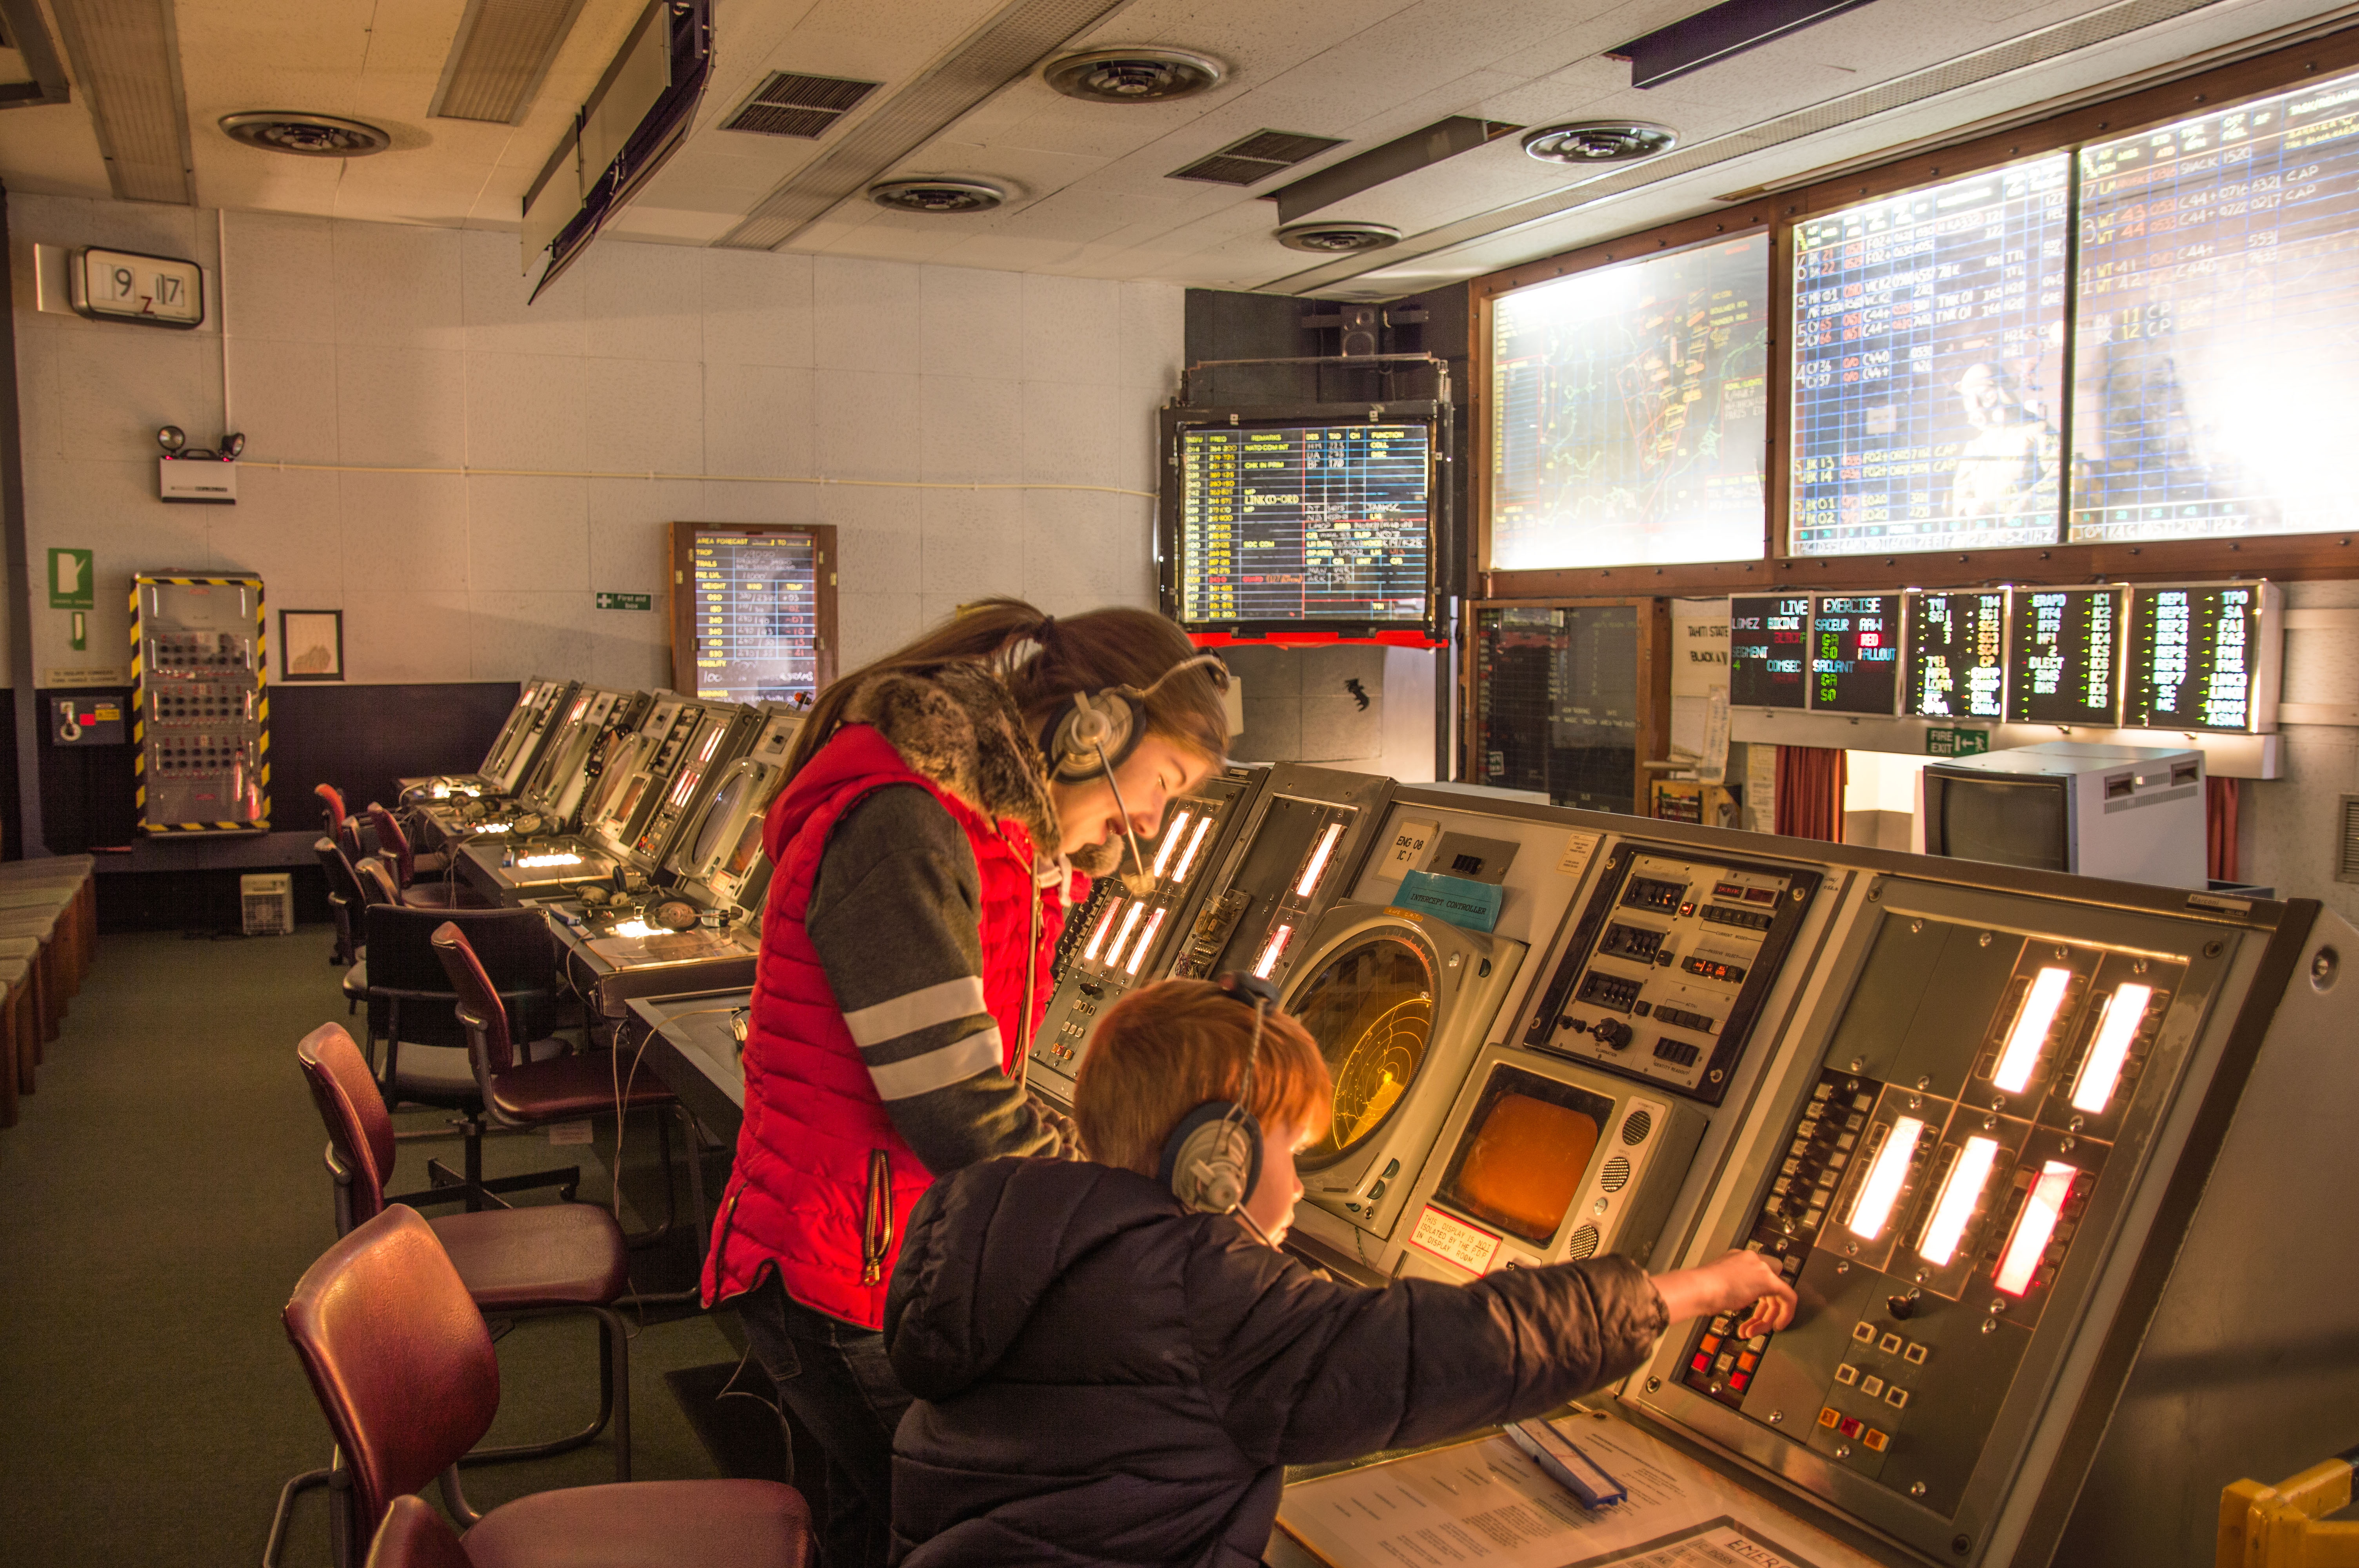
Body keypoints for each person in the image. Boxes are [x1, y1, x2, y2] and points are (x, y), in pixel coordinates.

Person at [883, 978, 1798, 1567]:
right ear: (1218, 1162)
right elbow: (1442, 1351)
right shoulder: (1200, 1290)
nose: (1299, 1183)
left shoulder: (1014, 1231)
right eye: (1292, 1148)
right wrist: (1691, 1288)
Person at [702, 599, 1231, 1568]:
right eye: (1163, 783)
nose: (1155, 821)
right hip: (839, 1272)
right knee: (978, 1532)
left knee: (876, 1533)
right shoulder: (903, 824)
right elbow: (954, 1105)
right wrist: (1128, 1216)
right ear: (1093, 730)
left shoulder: (991, 834)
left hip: (877, 1251)